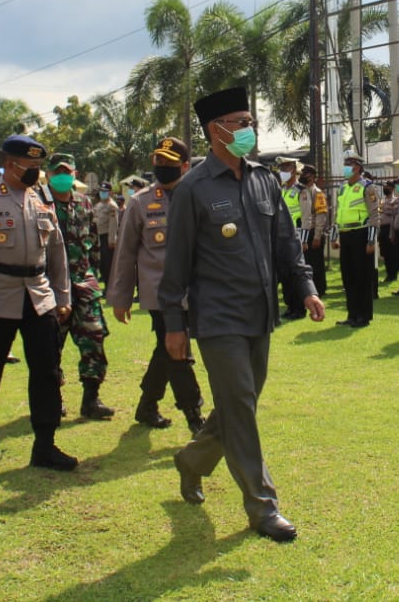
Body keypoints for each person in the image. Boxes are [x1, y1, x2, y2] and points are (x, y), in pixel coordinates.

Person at [161, 86, 325, 543]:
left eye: (252, 121)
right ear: (216, 131)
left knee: (240, 405)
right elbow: (175, 266)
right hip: (217, 318)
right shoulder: (194, 188)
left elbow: (287, 243)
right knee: (242, 410)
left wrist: (306, 288)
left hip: (261, 312)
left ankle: (191, 460)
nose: (250, 129)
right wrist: (175, 323)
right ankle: (263, 506)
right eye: (241, 122)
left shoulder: (264, 178)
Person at [0, 134, 77, 471]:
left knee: (47, 369)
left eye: (39, 167)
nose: (37, 173)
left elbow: (57, 252)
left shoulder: (41, 201)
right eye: (32, 167)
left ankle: (45, 442)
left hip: (38, 295)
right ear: (11, 165)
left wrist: (62, 295)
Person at [108, 137, 206, 432]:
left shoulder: (199, 197)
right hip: (160, 293)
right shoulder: (140, 202)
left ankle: (147, 405)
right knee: (177, 349)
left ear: (185, 166)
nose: (162, 167)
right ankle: (194, 416)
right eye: (158, 162)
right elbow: (125, 252)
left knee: (166, 349)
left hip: (196, 290)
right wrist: (121, 297)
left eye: (169, 163)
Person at [41, 153, 112, 420]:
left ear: (75, 173)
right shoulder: (38, 203)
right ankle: (52, 399)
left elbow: (92, 243)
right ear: (47, 175)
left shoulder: (84, 204)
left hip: (84, 284)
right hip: (50, 287)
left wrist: (94, 276)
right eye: (56, 171)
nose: (62, 176)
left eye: (67, 171)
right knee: (49, 347)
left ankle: (91, 400)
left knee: (94, 338)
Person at [331, 151, 381, 328]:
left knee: (362, 276)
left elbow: (375, 215)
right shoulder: (343, 188)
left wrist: (371, 241)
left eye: (349, 164)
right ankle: (352, 314)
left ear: (358, 167)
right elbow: (338, 213)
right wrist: (334, 236)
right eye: (345, 163)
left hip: (361, 234)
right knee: (348, 276)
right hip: (346, 234)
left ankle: (363, 316)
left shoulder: (368, 187)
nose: (346, 167)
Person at [275, 156, 306, 322]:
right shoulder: (281, 190)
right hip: (282, 237)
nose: (283, 171)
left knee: (296, 273)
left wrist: (305, 238)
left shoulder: (301, 190)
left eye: (286, 168)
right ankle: (290, 306)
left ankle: (299, 307)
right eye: (281, 168)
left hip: (296, 236)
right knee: (285, 274)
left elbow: (306, 217)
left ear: (294, 169)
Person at [296, 163, 329, 305]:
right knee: (306, 263)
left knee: (316, 264)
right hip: (303, 232)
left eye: (305, 173)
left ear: (312, 176)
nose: (302, 176)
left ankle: (319, 289)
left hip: (314, 233)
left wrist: (317, 236)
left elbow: (321, 215)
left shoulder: (317, 192)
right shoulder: (301, 191)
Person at [93, 182, 119, 284]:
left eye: (105, 191)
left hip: (106, 238)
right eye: (101, 191)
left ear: (110, 193)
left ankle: (109, 286)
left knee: (108, 264)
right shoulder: (98, 205)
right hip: (97, 238)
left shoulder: (112, 206)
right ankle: (104, 283)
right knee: (101, 264)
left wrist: (112, 240)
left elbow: (113, 224)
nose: (102, 193)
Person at [378, 180, 398, 285]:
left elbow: (394, 213)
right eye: (384, 186)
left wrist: (388, 209)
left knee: (392, 253)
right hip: (382, 229)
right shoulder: (382, 201)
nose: (385, 187)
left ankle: (393, 275)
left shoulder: (395, 200)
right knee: (385, 253)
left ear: (392, 188)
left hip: (391, 228)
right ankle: (388, 274)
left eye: (388, 186)